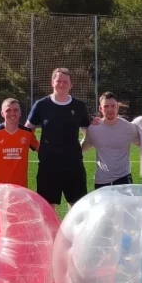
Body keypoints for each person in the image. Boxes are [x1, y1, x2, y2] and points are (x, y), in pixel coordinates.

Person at [25, 67, 90, 208]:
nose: (62, 84)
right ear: (52, 82)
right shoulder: (42, 105)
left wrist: (80, 149)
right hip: (48, 166)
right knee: (47, 207)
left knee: (77, 207)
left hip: (74, 166)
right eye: (58, 80)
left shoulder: (79, 106)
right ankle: (51, 231)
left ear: (71, 85)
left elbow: (88, 132)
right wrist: (38, 148)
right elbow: (28, 130)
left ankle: (73, 231)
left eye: (65, 81)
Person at [81, 92, 140, 188]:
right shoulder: (93, 129)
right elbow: (84, 146)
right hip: (102, 180)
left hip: (124, 178)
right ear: (100, 108)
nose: (110, 109)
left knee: (124, 204)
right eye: (106, 106)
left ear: (117, 107)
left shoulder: (129, 128)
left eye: (113, 106)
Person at [0, 98, 39, 187]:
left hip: (20, 186)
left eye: (15, 110)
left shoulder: (28, 133)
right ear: (2, 114)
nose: (12, 113)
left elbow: (41, 149)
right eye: (8, 110)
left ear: (20, 113)